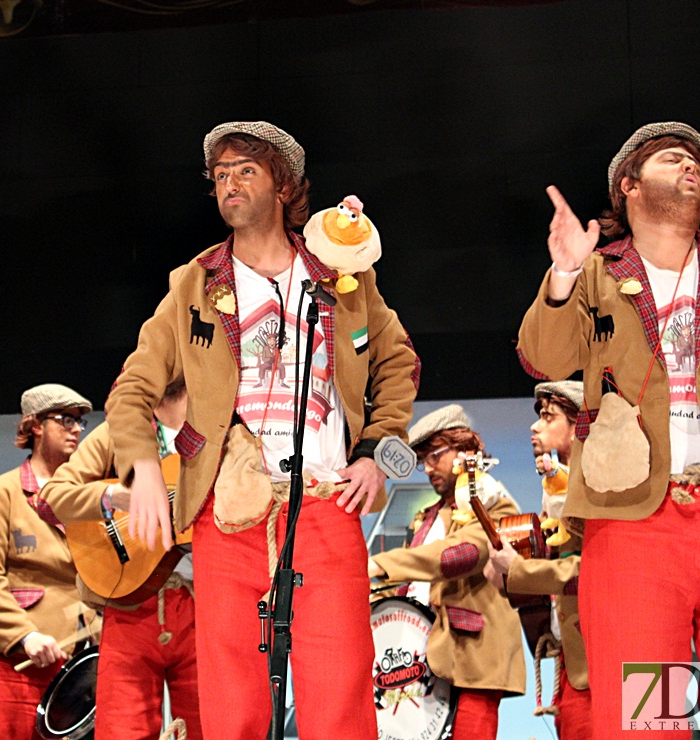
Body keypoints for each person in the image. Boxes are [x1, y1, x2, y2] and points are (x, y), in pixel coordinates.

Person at [105, 120, 420, 738]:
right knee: (232, 698)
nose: (229, 184)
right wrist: (143, 467)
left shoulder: (341, 274)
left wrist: (375, 452)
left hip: (326, 502)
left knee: (340, 692)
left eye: (245, 170)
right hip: (228, 511)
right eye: (220, 175)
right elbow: (133, 386)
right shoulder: (193, 283)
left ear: (285, 185)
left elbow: (399, 361)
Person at [517, 121, 700, 737]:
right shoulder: (596, 272)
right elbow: (543, 355)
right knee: (646, 724)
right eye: (672, 159)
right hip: (634, 524)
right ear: (630, 187)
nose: (690, 166)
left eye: (696, 162)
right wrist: (562, 274)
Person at [43, 378, 201, 739]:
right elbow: (53, 496)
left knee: (207, 725)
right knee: (122, 728)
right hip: (130, 604)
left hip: (204, 606)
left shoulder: (222, 433)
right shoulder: (119, 433)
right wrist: (116, 496)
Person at [368, 404, 526, 740]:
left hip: (475, 656)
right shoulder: (430, 515)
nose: (426, 468)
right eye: (422, 459)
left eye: (434, 455)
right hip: (427, 659)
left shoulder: (493, 502)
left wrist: (380, 564)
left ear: (464, 450)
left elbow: (458, 556)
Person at [0, 383, 98, 740]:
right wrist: (24, 634)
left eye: (79, 422)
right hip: (14, 661)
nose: (76, 429)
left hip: (79, 665)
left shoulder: (88, 497)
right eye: (64, 419)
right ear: (35, 425)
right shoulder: (1, 493)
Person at [484, 380, 591, 739]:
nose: (534, 425)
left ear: (579, 427)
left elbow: (594, 571)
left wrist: (519, 571)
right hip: (572, 660)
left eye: (548, 417)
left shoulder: (605, 489)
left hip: (606, 662)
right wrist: (507, 577)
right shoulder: (558, 489)